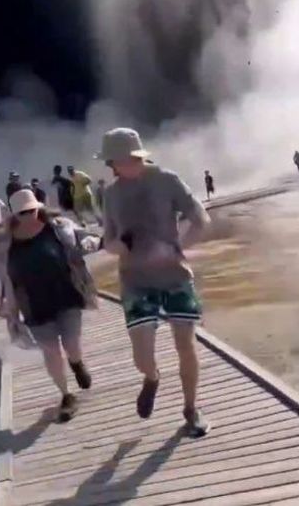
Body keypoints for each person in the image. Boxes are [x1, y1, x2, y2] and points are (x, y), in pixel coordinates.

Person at [98, 127, 212, 437]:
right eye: (117, 162)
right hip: (135, 280)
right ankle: (152, 377)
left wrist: (181, 246)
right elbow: (107, 240)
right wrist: (117, 246)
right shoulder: (110, 194)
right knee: (142, 356)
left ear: (139, 156)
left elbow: (200, 217)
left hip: (175, 275)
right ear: (111, 163)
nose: (124, 166)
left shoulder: (166, 180)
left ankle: (191, 409)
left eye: (129, 159)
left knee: (185, 344)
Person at [0, 189, 98, 422]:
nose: (29, 216)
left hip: (67, 295)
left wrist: (92, 241)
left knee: (72, 344)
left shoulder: (58, 226)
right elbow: (6, 280)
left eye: (32, 210)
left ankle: (77, 363)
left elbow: (84, 237)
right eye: (23, 213)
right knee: (51, 352)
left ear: (38, 207)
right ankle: (66, 395)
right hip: (34, 305)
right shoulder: (5, 243)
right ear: (14, 215)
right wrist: (11, 314)